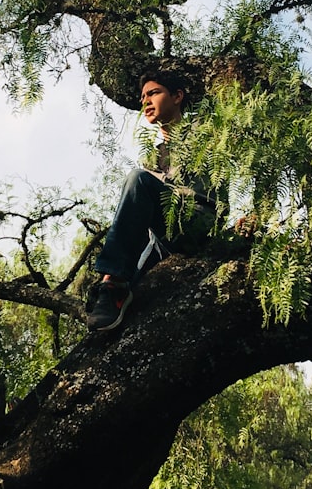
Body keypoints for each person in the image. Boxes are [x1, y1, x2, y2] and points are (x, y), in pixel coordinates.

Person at [85, 69, 216, 331]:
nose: (145, 101)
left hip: (198, 222)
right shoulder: (152, 157)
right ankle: (113, 287)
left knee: (137, 179)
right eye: (142, 96)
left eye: (153, 93)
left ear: (177, 96)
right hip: (165, 235)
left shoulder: (204, 131)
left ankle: (114, 282)